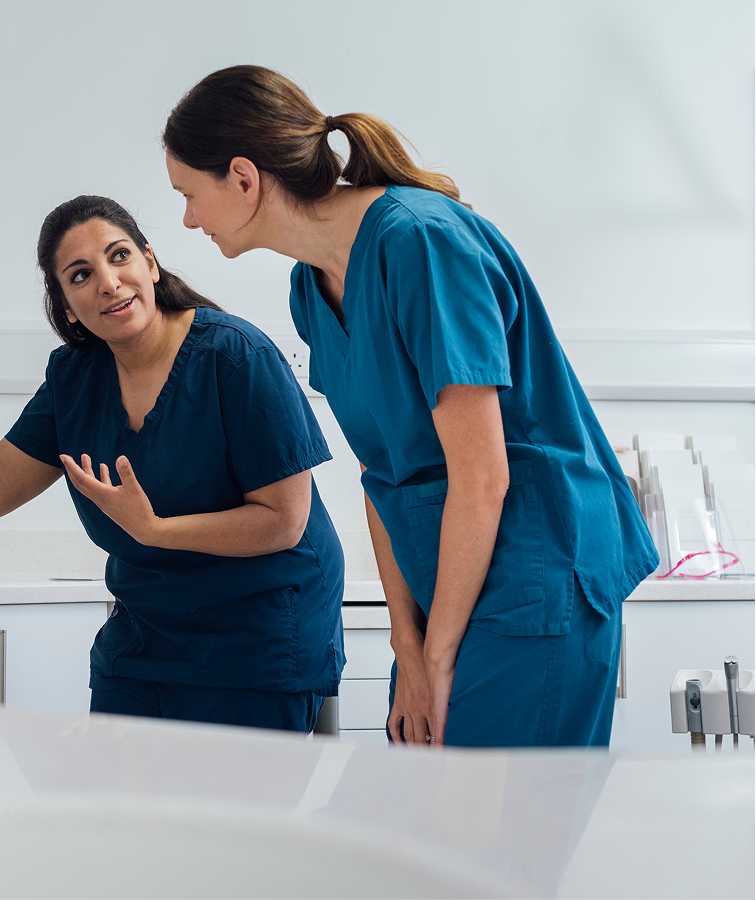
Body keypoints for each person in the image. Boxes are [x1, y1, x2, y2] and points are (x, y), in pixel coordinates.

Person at [161, 65, 657, 748]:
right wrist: (407, 639)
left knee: (490, 836)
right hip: (446, 587)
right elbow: (381, 476)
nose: (186, 219)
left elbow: (482, 478)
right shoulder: (310, 291)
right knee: (429, 823)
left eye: (189, 193)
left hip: (535, 567)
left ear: (243, 179)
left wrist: (438, 652)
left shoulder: (418, 241)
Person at [0, 195, 345, 733]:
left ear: (150, 264)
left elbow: (283, 520)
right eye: (81, 275)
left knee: (222, 820)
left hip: (259, 643)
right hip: (145, 642)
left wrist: (154, 530)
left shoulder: (235, 355)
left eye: (120, 256)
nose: (109, 283)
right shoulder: (76, 378)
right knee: (109, 813)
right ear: (66, 305)